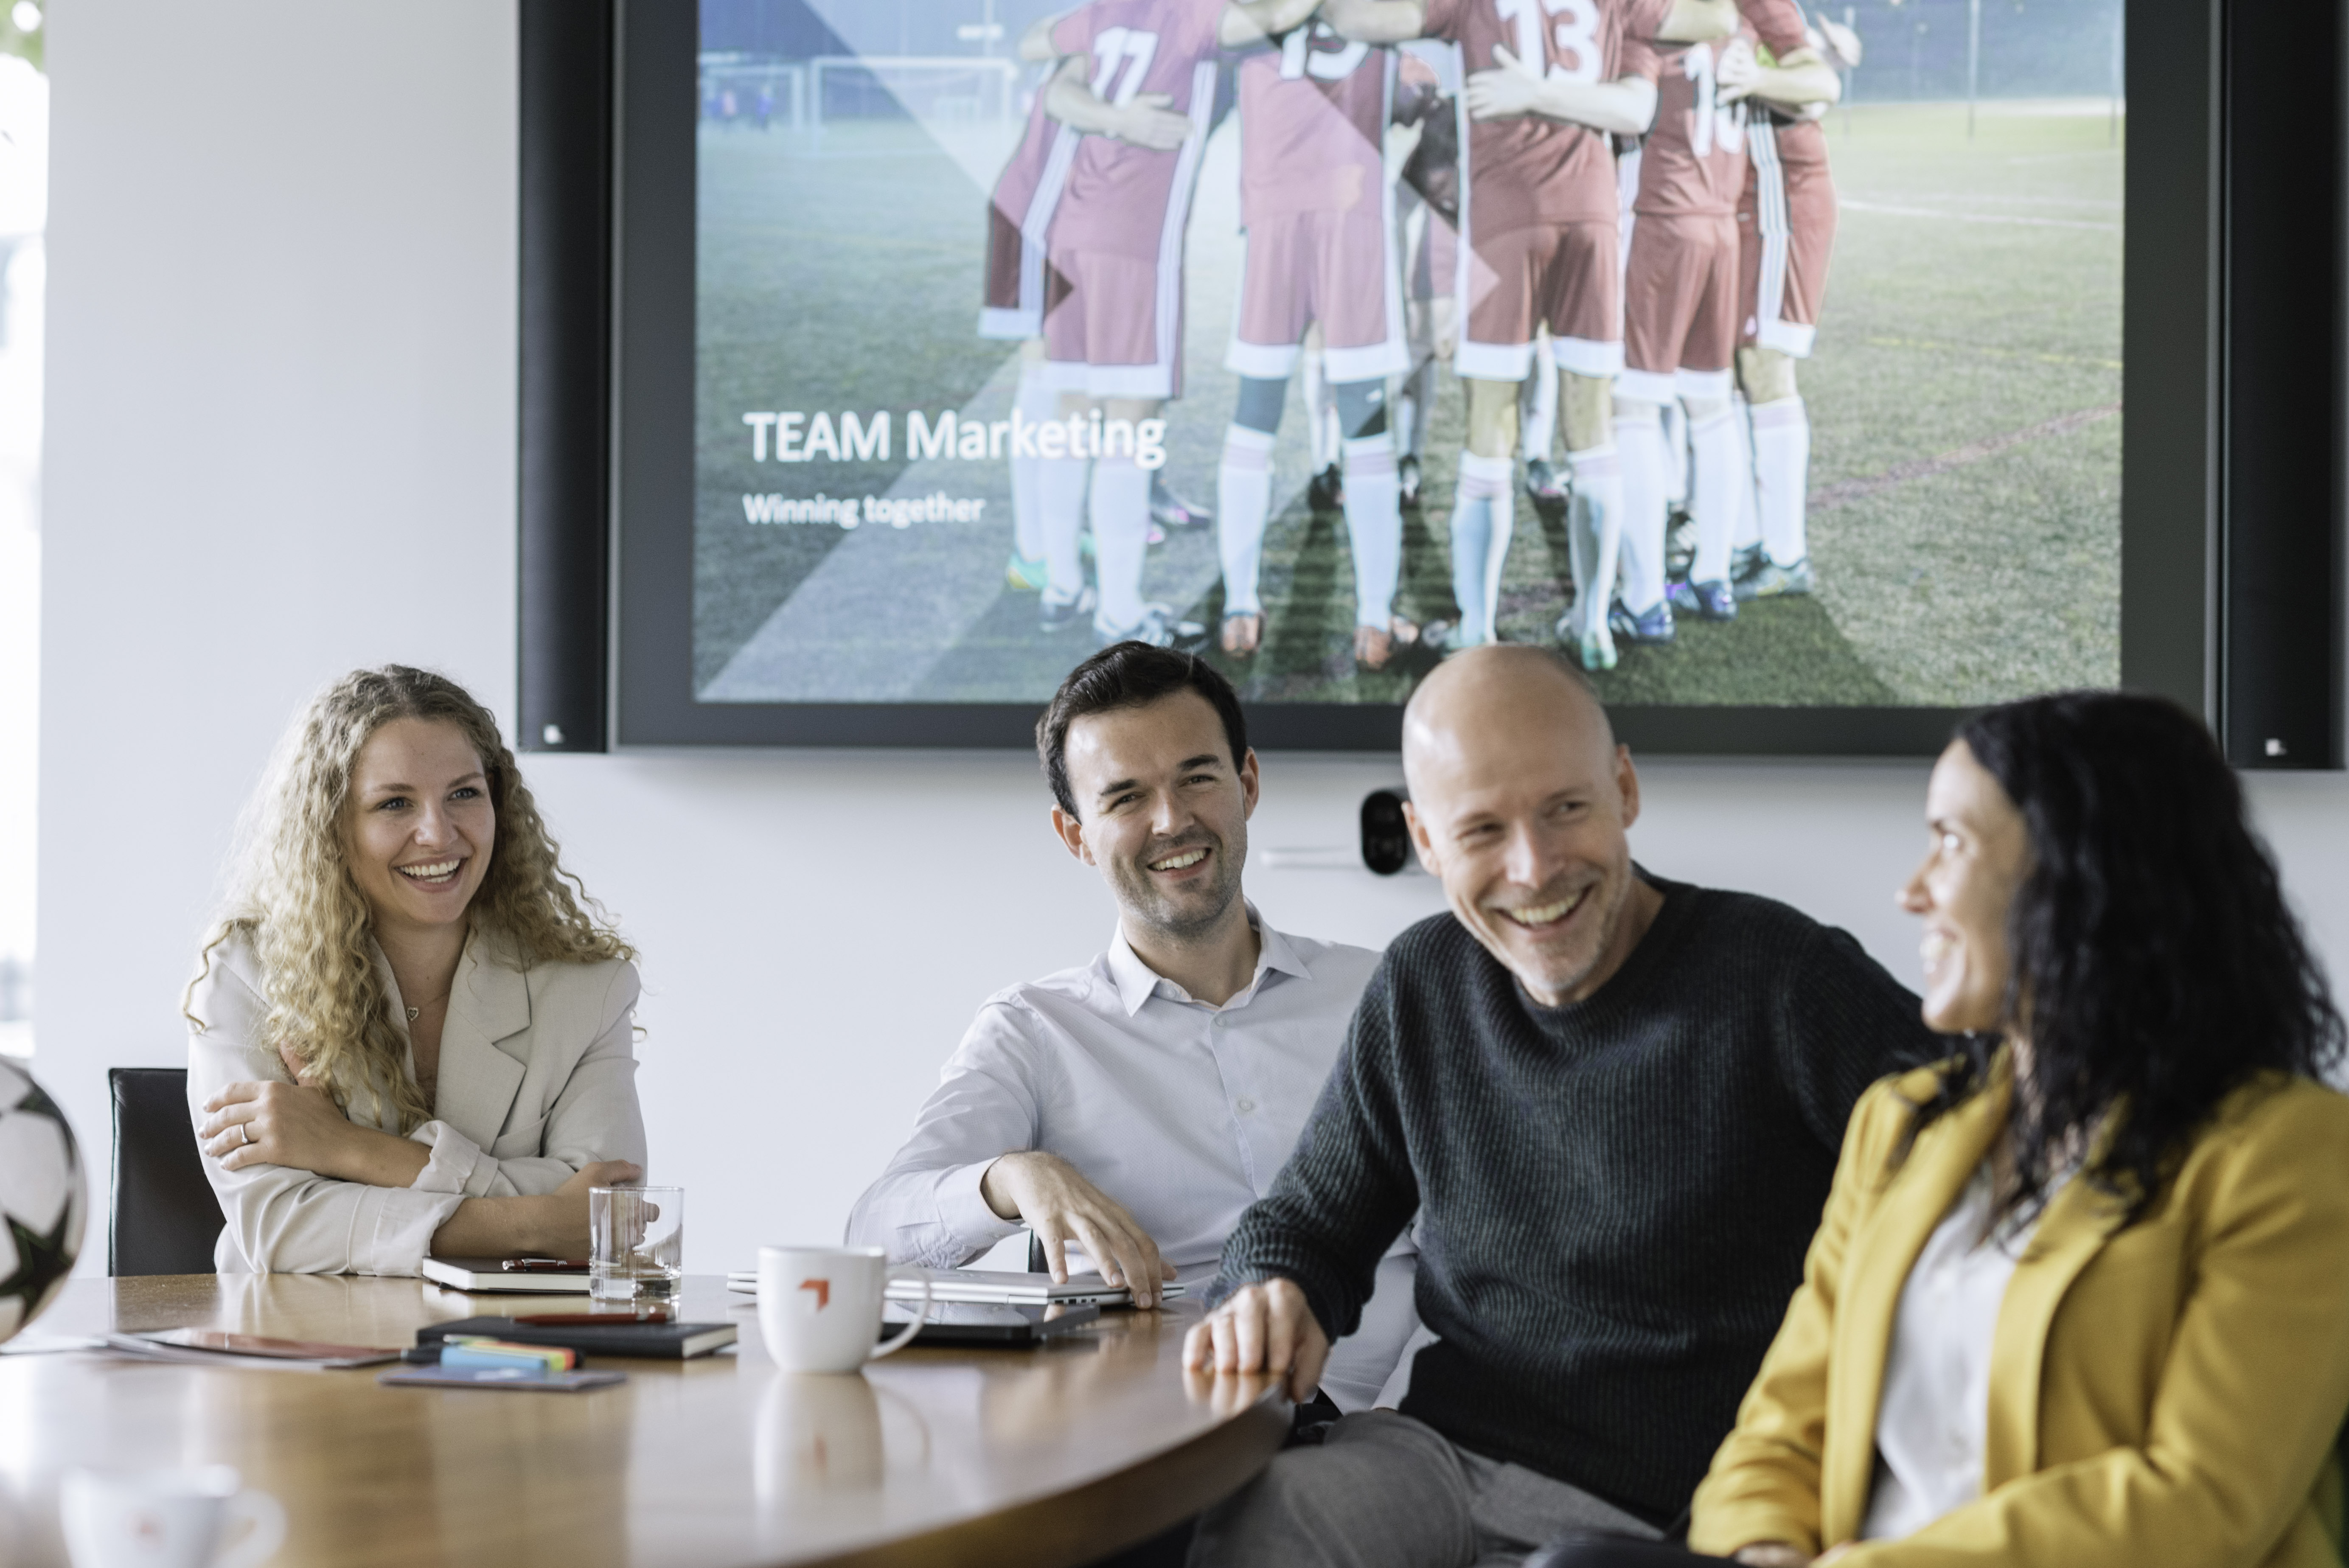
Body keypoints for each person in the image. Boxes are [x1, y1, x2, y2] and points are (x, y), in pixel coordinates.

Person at [1530, 692, 2349, 1568]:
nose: (1910, 891)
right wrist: (1764, 1549)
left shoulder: (2289, 1153)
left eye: (1949, 842)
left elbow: (2199, 1498)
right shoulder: (1899, 1125)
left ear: (2081, 875)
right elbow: (1779, 1427)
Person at [1182, 644, 1936, 1565]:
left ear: (1623, 789)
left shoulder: (1782, 980)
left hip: (1670, 1513)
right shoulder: (1424, 982)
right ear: (1425, 842)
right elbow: (1308, 1223)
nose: (1533, 869)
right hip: (1442, 1460)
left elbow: (2007, 1153)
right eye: (1481, 831)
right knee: (1251, 1527)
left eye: (1564, 810)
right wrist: (1273, 1289)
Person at [847, 641, 1420, 1411]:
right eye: (1125, 799)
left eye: (1198, 778)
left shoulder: (1387, 994)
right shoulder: (1035, 1031)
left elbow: (1490, 1247)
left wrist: (1416, 1429)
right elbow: (872, 1239)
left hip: (1398, 1427)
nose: (1172, 821)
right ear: (1075, 834)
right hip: (1153, 1443)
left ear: (1246, 783)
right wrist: (1012, 1178)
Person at [185, 666, 648, 1275]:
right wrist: (535, 1224)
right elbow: (281, 1229)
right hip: (300, 1346)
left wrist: (348, 1150)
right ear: (331, 828)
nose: (438, 833)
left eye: (463, 794)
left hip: (515, 1353)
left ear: (499, 806)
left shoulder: (590, 988)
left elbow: (604, 1212)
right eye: (395, 803)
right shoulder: (247, 972)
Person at [1322, 0, 1738, 669]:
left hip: (1505, 219)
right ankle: (1595, 622)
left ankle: (1478, 629)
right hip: (1592, 221)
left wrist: (1529, 91)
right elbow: (1711, 24)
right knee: (1592, 427)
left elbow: (1358, 19)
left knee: (1491, 427)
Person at [1609, 2, 1835, 645]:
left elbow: (1821, 87)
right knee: (1717, 393)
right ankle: (1721, 559)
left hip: (1728, 204)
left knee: (1730, 378)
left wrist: (1756, 78)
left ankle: (1754, 563)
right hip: (1722, 210)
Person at [1214, 17, 1418, 668]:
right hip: (1352, 222)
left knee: (1254, 416)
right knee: (1366, 426)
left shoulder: (1252, 23)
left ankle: (1239, 607)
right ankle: (1373, 621)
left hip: (1273, 220)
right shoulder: (1381, 25)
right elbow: (1422, 101)